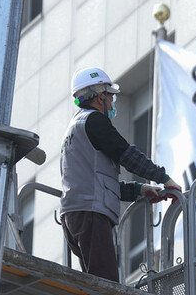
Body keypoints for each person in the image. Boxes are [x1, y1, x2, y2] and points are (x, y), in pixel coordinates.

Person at [60, 67, 182, 282]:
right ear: (100, 97)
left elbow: (95, 181)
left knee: (95, 281)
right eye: (111, 97)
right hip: (90, 215)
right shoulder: (94, 121)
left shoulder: (74, 129)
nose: (112, 103)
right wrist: (165, 179)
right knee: (105, 284)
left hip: (76, 214)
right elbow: (127, 154)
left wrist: (140, 189)